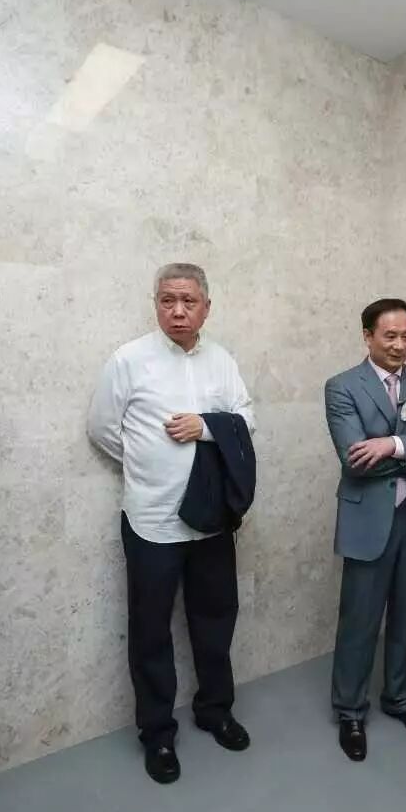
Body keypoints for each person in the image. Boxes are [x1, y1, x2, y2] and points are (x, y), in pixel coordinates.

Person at [86, 263, 256, 784]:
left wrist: (206, 427)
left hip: (211, 520)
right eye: (167, 300)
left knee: (215, 618)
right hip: (151, 520)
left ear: (207, 307)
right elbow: (102, 429)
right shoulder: (129, 359)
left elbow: (246, 420)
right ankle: (157, 733)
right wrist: (147, 466)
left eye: (188, 301)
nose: (177, 311)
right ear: (155, 304)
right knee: (151, 630)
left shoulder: (222, 360)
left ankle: (215, 710)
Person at [324, 298, 406, 762]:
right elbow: (354, 460)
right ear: (367, 336)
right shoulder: (342, 386)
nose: (400, 345)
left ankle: (399, 699)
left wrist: (393, 444)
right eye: (390, 336)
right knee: (359, 620)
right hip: (368, 518)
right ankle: (350, 710)